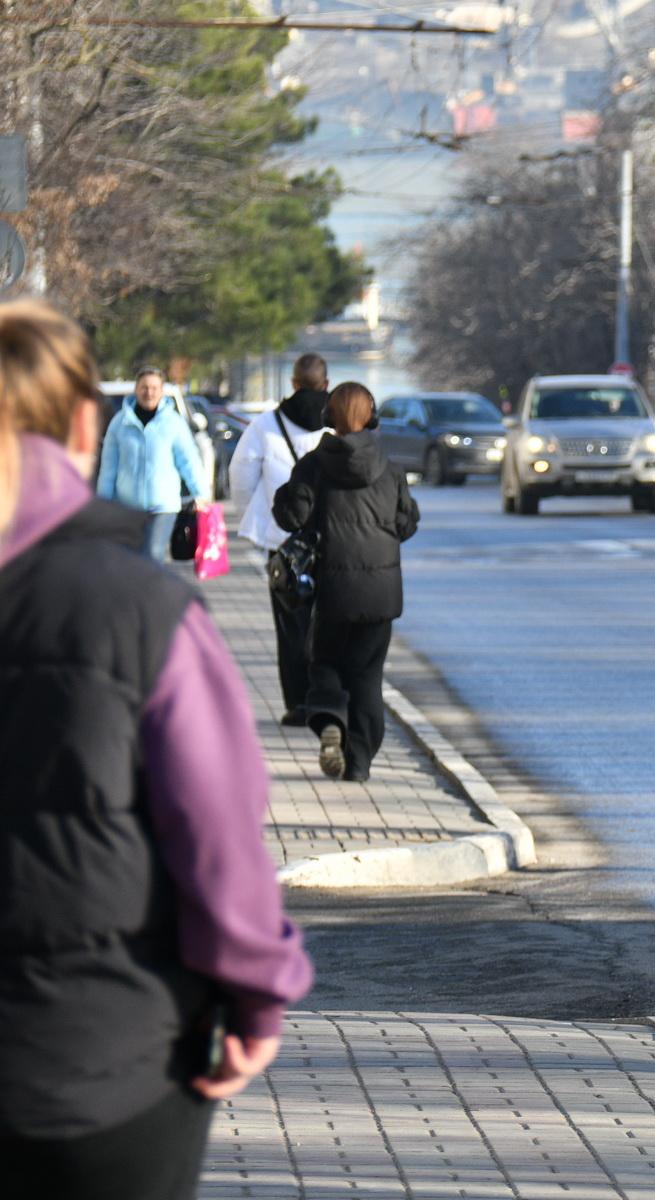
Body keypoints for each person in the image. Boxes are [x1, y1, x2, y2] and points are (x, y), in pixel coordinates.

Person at [0, 300, 312, 1199]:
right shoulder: (144, 612)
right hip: (106, 1054)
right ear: (78, 422)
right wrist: (257, 992)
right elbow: (216, 830)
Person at [273, 382, 419, 783]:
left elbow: (292, 518)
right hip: (381, 595)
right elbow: (407, 523)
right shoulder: (390, 469)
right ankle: (358, 763)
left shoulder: (313, 466)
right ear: (371, 417)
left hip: (333, 589)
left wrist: (286, 495)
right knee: (367, 676)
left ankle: (329, 719)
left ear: (328, 418)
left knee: (325, 662)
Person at [229, 355, 332, 726]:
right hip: (331, 539)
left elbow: (240, 474)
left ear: (293, 383)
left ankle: (298, 703)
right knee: (327, 622)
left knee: (291, 623)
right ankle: (328, 699)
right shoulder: (336, 421)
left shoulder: (266, 424)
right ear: (325, 383)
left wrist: (255, 513)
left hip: (283, 539)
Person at [95, 364, 207, 561]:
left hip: (163, 506)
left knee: (153, 555)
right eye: (144, 388)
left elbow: (188, 461)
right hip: (128, 507)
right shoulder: (120, 424)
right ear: (136, 390)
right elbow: (109, 468)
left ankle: (152, 590)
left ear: (162, 391)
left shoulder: (173, 423)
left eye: (154, 388)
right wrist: (104, 502)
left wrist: (201, 493)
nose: (149, 393)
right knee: (131, 559)